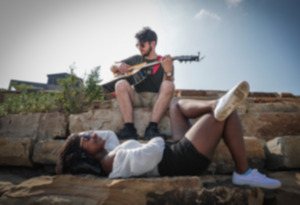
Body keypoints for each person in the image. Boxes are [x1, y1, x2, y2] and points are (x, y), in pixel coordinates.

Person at [56, 81, 281, 189]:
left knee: (175, 105)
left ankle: (214, 104)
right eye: (86, 139)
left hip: (174, 153)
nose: (92, 134)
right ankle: (243, 172)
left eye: (87, 132)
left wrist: (89, 139)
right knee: (228, 115)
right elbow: (152, 154)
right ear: (83, 157)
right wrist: (156, 140)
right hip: (181, 160)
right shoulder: (110, 162)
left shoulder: (108, 154)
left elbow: (108, 137)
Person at [110, 27, 175, 140]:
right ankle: (129, 129)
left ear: (152, 44)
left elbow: (167, 86)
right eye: (138, 45)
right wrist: (117, 67)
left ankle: (152, 129)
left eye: (142, 45)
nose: (140, 48)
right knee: (120, 84)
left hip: (156, 98)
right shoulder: (136, 59)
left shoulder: (164, 61)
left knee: (169, 85)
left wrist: (168, 72)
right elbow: (112, 66)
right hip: (138, 97)